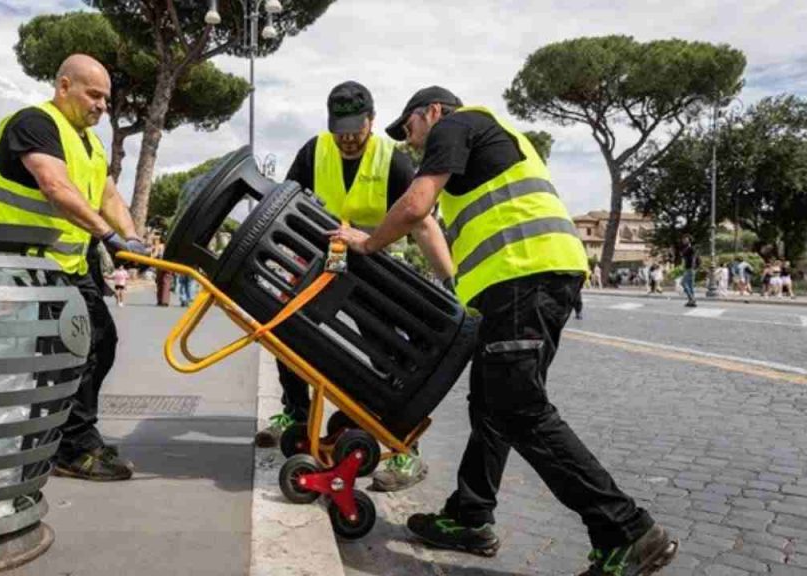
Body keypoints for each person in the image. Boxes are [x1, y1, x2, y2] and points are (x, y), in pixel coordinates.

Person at [330, 86, 677, 575]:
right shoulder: (484, 143)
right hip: (523, 281)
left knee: (519, 408)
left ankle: (627, 530)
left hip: (524, 277)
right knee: (491, 406)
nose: (409, 143)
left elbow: (416, 206)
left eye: (409, 129)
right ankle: (470, 516)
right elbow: (437, 226)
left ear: (431, 112)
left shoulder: (457, 124)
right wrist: (450, 286)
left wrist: (367, 244)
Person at [253, 81, 454, 493]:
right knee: (285, 333)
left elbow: (420, 221)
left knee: (388, 355)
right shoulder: (314, 150)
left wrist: (448, 279)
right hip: (318, 263)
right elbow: (284, 203)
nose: (346, 139)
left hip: (372, 267)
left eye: (354, 130)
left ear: (372, 122)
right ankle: (295, 414)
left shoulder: (392, 159)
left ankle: (404, 450)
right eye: (339, 129)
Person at [0, 54, 149, 481]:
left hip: (70, 266)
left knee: (97, 344)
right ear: (63, 86)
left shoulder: (90, 142)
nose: (102, 106)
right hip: (29, 264)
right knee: (79, 349)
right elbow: (55, 187)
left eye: (107, 99)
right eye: (93, 94)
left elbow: (109, 196)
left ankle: (67, 437)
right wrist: (107, 237)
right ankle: (71, 446)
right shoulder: (34, 123)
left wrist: (130, 238)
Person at [679, 235, 698, 307]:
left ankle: (692, 299)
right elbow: (684, 259)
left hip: (690, 268)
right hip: (687, 268)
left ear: (689, 240)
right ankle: (691, 302)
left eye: (685, 239)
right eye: (683, 239)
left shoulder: (691, 248)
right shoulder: (685, 249)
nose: (683, 240)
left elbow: (694, 258)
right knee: (690, 286)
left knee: (683, 283)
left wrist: (692, 267)